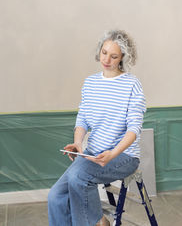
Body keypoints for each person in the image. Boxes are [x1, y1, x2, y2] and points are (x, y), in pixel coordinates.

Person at [48, 30, 146, 226]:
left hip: (124, 156)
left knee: (78, 178)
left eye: (114, 56)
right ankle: (100, 220)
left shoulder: (132, 84)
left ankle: (97, 223)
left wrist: (113, 153)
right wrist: (78, 143)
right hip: (93, 153)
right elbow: (83, 118)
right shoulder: (91, 83)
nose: (107, 59)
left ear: (123, 58)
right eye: (104, 52)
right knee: (55, 196)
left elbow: (134, 129)